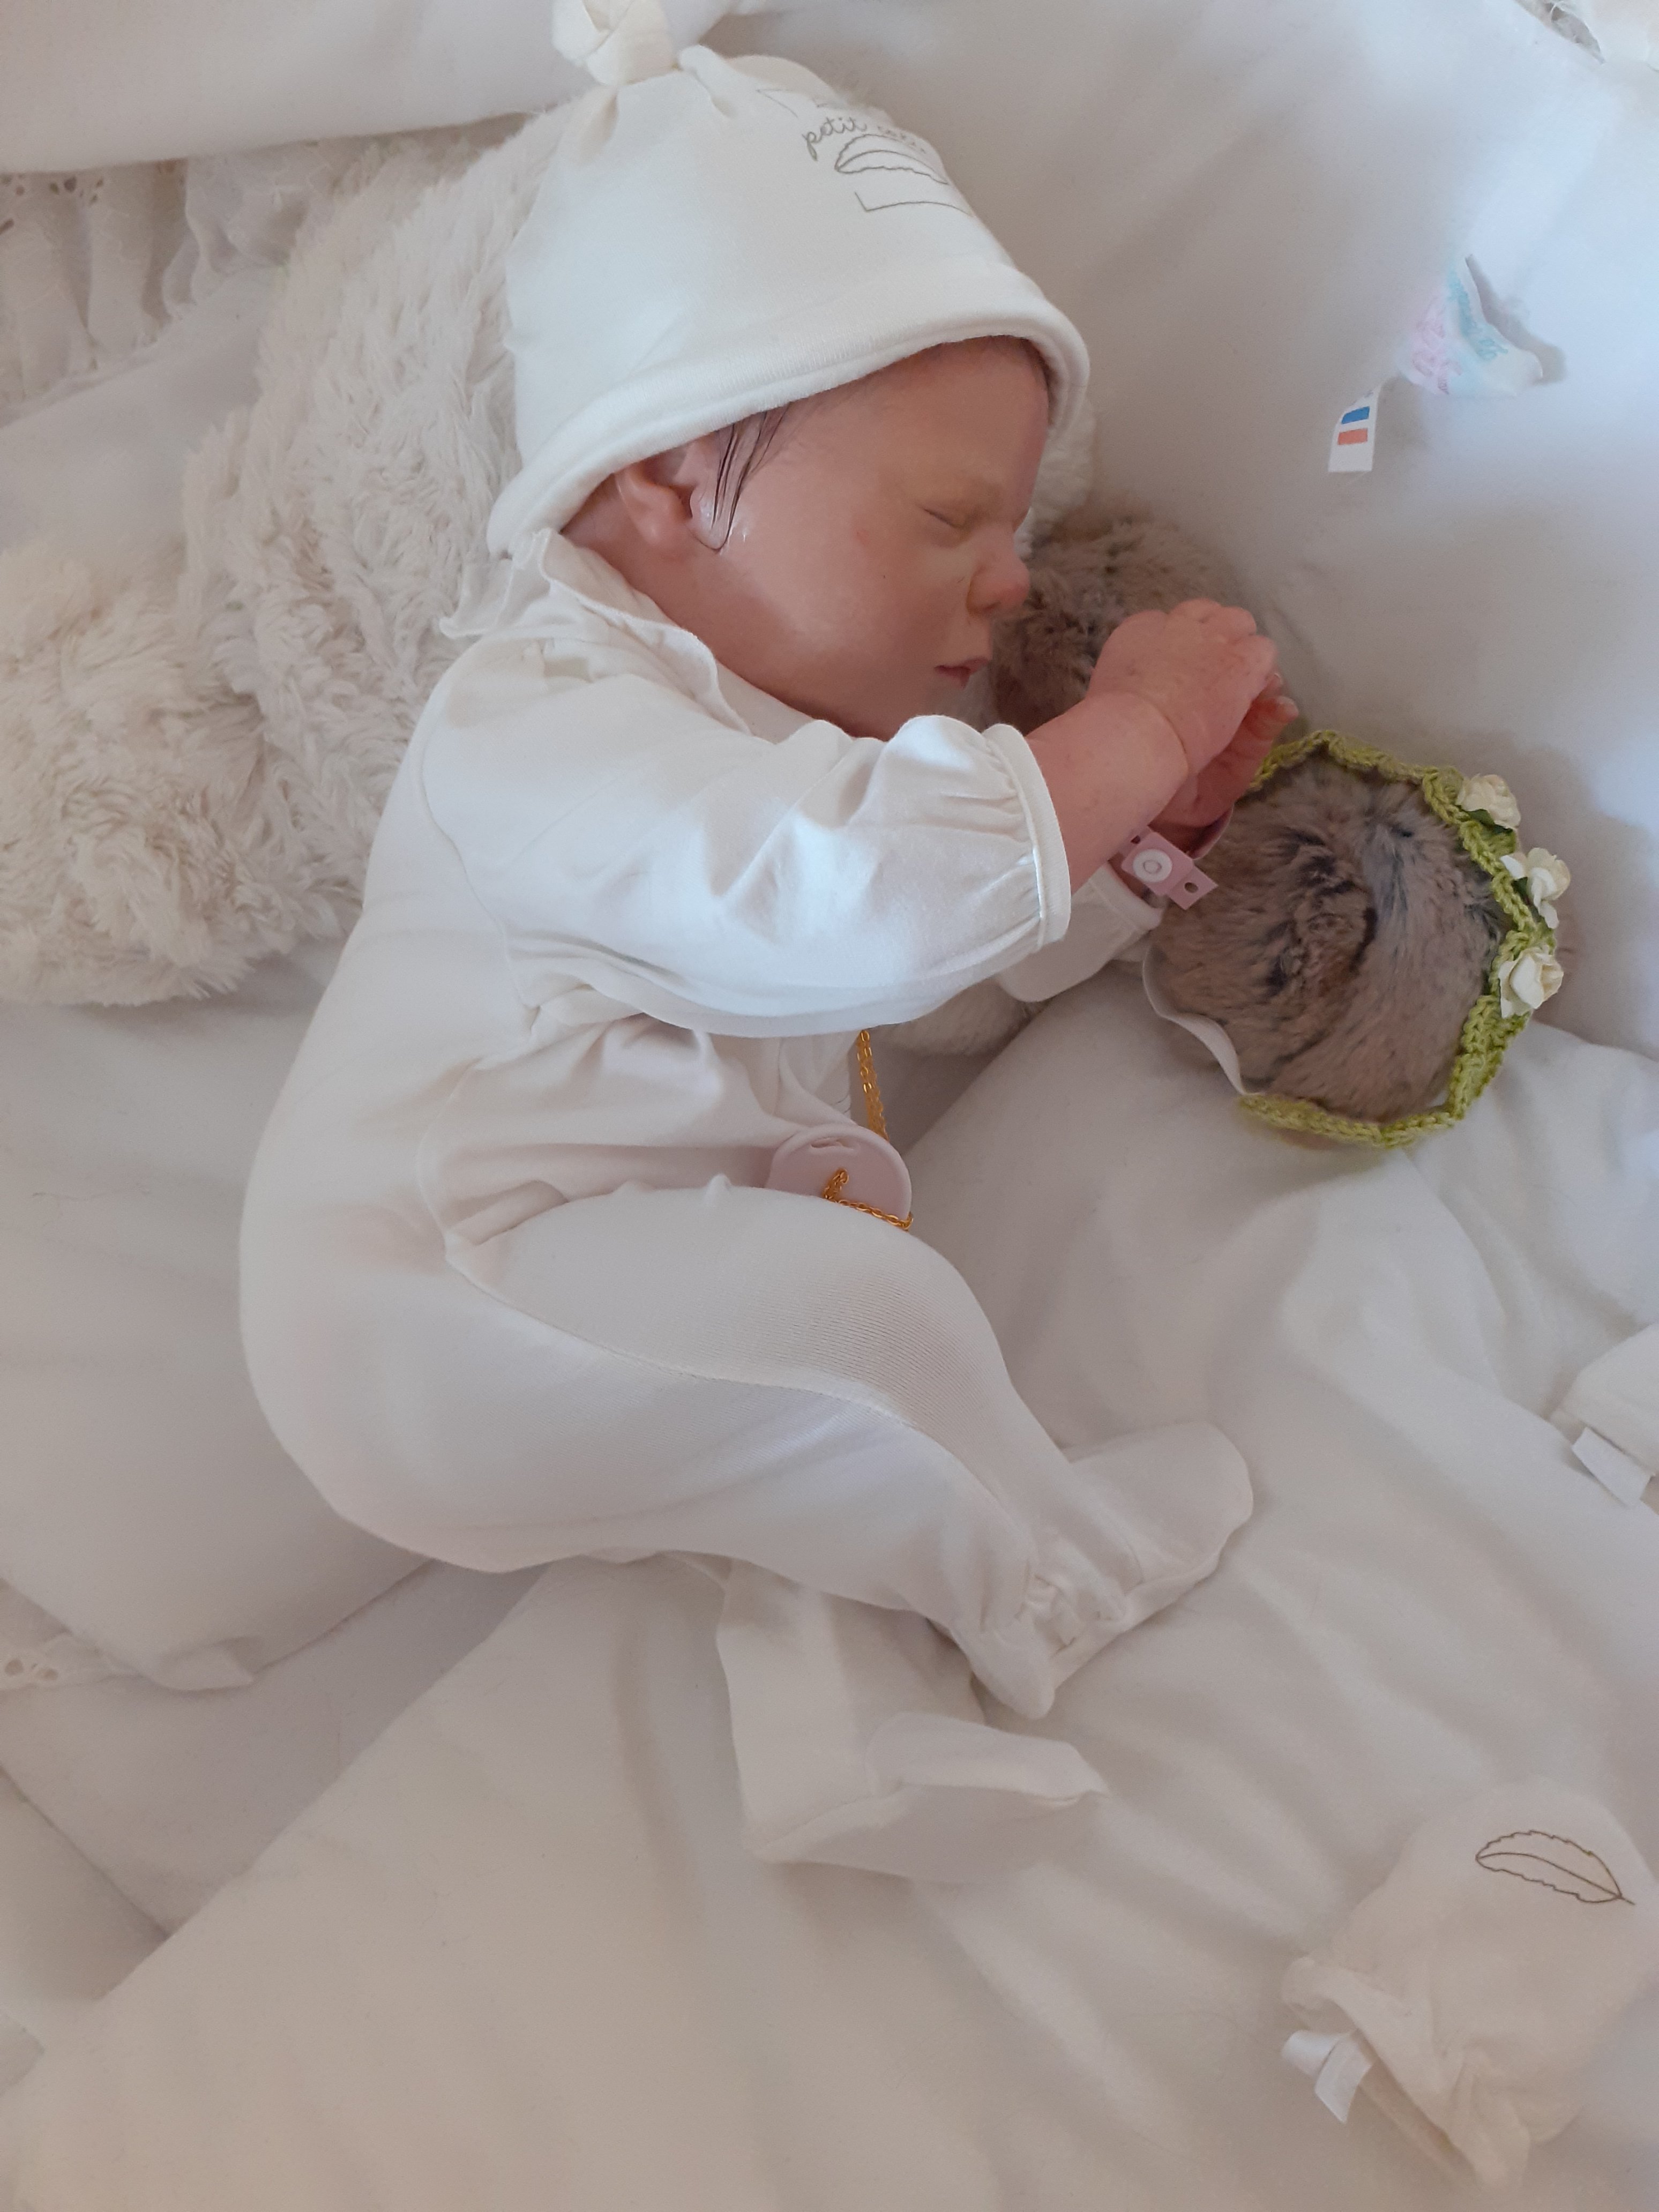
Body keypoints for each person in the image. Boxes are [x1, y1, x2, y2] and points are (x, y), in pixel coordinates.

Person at [241, 24, 1293, 1879]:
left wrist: (1137, 852)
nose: (1012, 580)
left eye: (1016, 528)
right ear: (664, 478)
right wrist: (1122, 732)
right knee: (865, 1324)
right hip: (435, 1309)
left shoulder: (775, 751)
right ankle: (1049, 1580)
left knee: (801, 1428)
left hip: (582, 1302)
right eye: (952, 518)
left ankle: (831, 1730)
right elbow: (866, 900)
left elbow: (929, 975)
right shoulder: (534, 723)